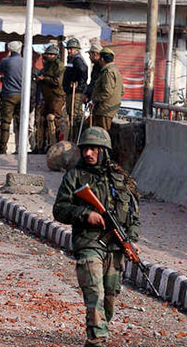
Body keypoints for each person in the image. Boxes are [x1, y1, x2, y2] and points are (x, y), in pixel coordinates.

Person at [53, 127, 140, 347]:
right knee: (94, 292)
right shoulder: (74, 176)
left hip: (115, 246)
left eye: (94, 149)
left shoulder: (121, 179)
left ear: (104, 151)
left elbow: (134, 215)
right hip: (88, 242)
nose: (88, 153)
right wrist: (85, 214)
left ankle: (96, 333)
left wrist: (131, 240)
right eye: (85, 149)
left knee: (109, 297)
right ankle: (98, 340)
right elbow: (59, 209)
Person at [34, 45, 66, 152]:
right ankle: (41, 145)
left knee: (54, 120)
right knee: (42, 121)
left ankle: (54, 145)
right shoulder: (47, 65)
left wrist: (44, 78)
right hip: (46, 97)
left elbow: (57, 82)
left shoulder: (59, 66)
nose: (48, 56)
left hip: (56, 97)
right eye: (48, 54)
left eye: (51, 54)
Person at [0, 41, 23, 154]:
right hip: (22, 95)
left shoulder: (6, 61)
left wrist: (7, 56)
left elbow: (0, 70)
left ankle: (3, 148)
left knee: (6, 122)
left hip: (9, 95)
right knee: (21, 123)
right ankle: (20, 148)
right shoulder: (25, 61)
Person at [91, 48, 124, 131]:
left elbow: (107, 92)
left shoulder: (108, 72)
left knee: (102, 134)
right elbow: (122, 91)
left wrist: (94, 100)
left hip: (104, 110)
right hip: (109, 109)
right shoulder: (116, 71)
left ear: (102, 59)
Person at [63, 37, 88, 142]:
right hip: (70, 91)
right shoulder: (71, 59)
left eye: (71, 49)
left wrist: (79, 84)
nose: (69, 51)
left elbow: (83, 71)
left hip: (76, 92)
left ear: (77, 49)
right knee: (70, 114)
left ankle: (77, 138)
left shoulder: (78, 59)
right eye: (68, 49)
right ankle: (72, 137)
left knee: (75, 114)